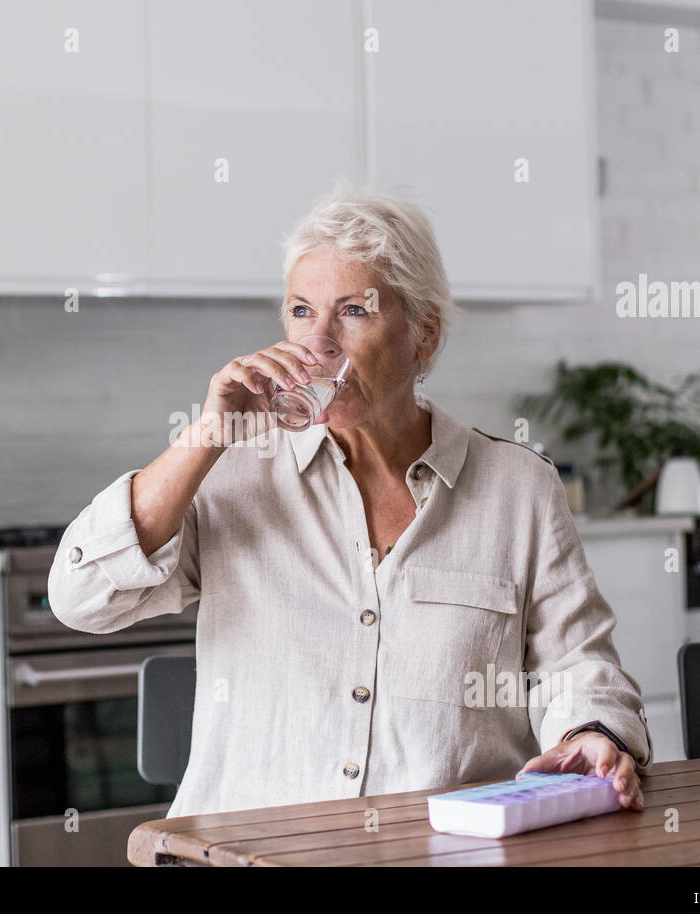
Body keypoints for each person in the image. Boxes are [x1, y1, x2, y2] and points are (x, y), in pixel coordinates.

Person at [48, 187, 651, 818]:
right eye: (302, 311)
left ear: (424, 335)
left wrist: (592, 734)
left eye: (355, 311)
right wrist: (205, 438)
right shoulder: (231, 471)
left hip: (444, 852)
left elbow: (581, 667)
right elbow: (80, 597)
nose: (320, 343)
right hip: (253, 856)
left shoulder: (517, 488)